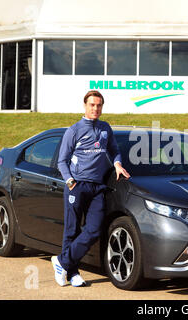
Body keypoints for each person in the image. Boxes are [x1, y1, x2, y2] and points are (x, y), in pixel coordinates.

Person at [51, 90, 130, 287]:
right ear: (85, 106)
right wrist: (70, 181)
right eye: (92, 105)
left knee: (94, 229)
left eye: (99, 105)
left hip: (97, 187)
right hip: (77, 186)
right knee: (72, 230)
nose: (95, 108)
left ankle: (62, 261)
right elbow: (62, 161)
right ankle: (73, 273)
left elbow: (115, 151)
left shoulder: (105, 128)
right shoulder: (74, 130)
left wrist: (118, 164)